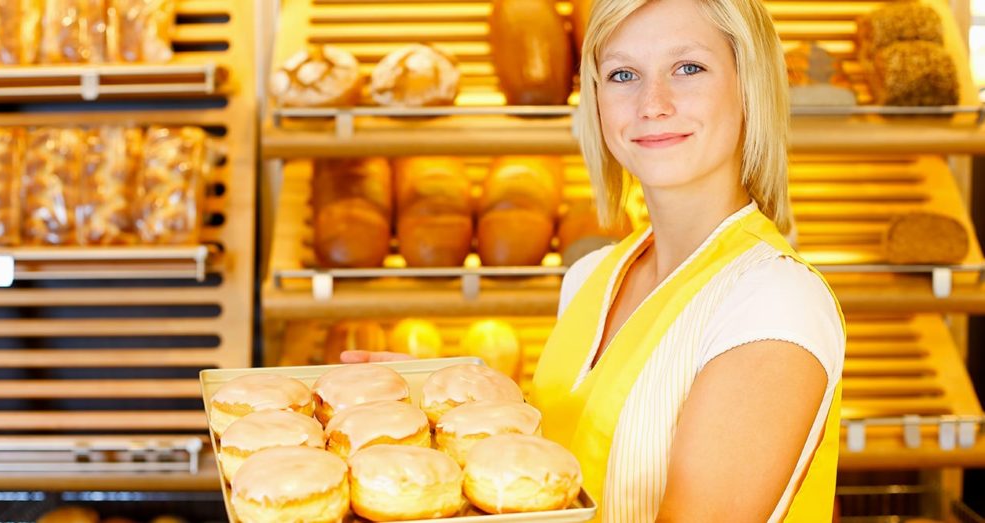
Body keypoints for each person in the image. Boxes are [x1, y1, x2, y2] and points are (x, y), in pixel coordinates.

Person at [344, 0, 845, 520]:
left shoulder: (773, 302)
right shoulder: (592, 275)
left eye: (688, 68)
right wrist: (454, 412)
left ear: (750, 85)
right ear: (597, 100)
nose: (653, 103)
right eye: (623, 74)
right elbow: (563, 482)